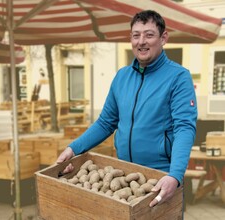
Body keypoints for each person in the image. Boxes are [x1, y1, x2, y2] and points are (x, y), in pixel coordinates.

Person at [57, 10, 197, 208]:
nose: (141, 41)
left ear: (163, 38)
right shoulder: (122, 77)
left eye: (149, 35)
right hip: (125, 177)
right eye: (136, 35)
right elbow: (106, 122)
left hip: (161, 177)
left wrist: (175, 175)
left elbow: (185, 128)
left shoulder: (179, 77)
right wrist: (74, 148)